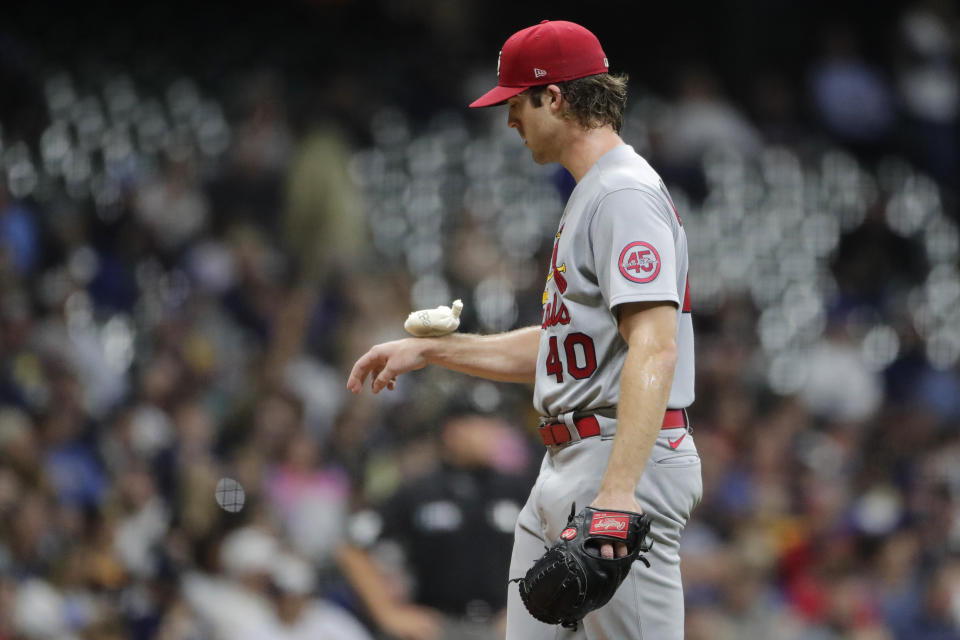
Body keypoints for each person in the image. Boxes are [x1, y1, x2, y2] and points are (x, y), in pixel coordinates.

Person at [348, 19, 701, 639]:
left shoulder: (622, 193)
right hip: (570, 459)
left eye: (517, 102)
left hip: (619, 460)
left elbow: (655, 345)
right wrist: (433, 349)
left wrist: (616, 497)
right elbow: (563, 351)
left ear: (555, 96)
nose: (510, 119)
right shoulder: (593, 194)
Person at [338, 401, 533, 640]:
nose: (492, 432)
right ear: (450, 431)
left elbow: (556, 545)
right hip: (438, 627)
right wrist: (388, 612)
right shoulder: (418, 490)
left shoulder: (518, 489)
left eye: (494, 423)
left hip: (503, 625)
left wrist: (529, 605)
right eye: (479, 423)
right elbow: (351, 547)